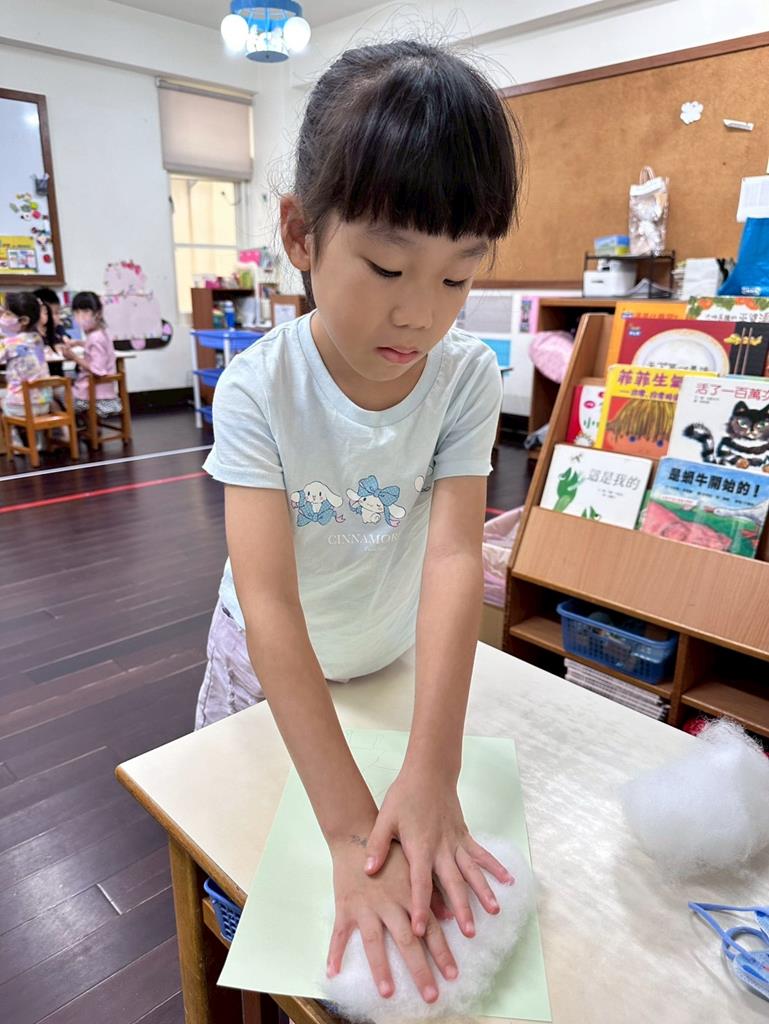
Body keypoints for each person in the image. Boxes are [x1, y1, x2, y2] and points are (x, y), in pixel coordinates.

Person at [196, 40, 523, 1004]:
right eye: (386, 266)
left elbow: (455, 559)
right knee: (245, 857)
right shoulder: (259, 389)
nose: (421, 314)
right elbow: (269, 605)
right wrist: (347, 830)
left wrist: (433, 770)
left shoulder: (465, 378)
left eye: (458, 278)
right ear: (301, 234)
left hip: (380, 657)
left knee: (381, 860)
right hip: (260, 667)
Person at [58, 291, 122, 417]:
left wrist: (74, 357)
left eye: (85, 311)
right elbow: (96, 347)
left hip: (92, 400)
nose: (80, 317)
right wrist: (78, 343)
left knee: (55, 392)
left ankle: (67, 427)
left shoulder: (95, 338)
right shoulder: (102, 334)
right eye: (77, 312)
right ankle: (87, 424)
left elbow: (97, 369)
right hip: (107, 397)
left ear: (98, 314)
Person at [0, 292, 51, 418]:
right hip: (44, 403)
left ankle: (14, 431)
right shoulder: (37, 338)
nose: (3, 317)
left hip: (21, 406)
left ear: (24, 320)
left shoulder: (9, 342)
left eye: (7, 314)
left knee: (1, 398)